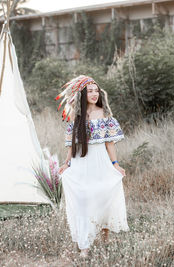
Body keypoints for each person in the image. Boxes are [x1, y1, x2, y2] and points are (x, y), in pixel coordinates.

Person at [56, 75, 129, 257]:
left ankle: (104, 234)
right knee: (83, 201)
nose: (94, 94)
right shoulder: (77, 116)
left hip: (100, 161)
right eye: (90, 91)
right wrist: (67, 163)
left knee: (103, 195)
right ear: (82, 94)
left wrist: (116, 164)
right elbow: (74, 145)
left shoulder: (103, 114)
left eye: (96, 90)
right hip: (82, 162)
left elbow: (109, 143)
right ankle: (84, 245)